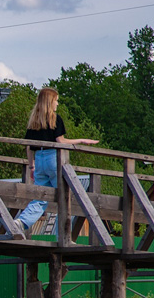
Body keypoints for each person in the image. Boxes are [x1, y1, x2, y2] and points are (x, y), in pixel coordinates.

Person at [15, 87, 99, 231]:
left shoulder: (34, 120)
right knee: (65, 197)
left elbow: (29, 146)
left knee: (40, 198)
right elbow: (60, 141)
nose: (57, 104)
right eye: (56, 101)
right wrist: (81, 140)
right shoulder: (55, 118)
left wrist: (31, 166)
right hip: (53, 158)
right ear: (50, 102)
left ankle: (21, 222)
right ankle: (62, 235)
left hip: (39, 160)